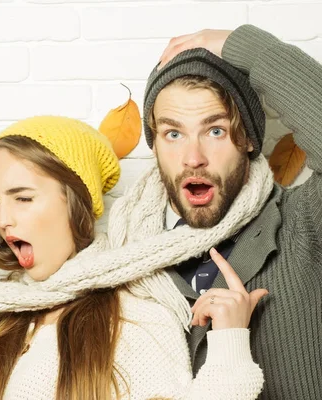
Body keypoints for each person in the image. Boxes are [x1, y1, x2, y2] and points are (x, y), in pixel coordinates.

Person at [0, 115, 265, 399]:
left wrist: (228, 344)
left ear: (75, 202)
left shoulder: (136, 316)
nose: (2, 220)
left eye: (23, 198)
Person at [136, 25, 321, 399]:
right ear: (154, 145)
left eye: (216, 131)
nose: (193, 158)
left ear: (250, 139)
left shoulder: (303, 222)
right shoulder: (124, 263)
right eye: (173, 134)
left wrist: (247, 48)